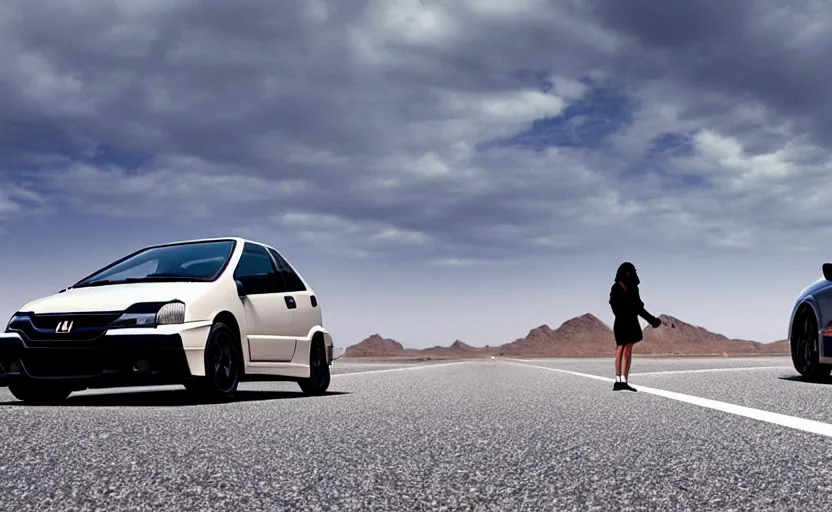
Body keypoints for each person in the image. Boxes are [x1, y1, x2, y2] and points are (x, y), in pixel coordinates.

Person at [609, 262, 661, 391]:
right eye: (627, 271)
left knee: (627, 350)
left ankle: (624, 381)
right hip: (622, 322)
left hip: (631, 322)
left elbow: (639, 308)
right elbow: (615, 306)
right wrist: (627, 310)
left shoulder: (633, 288)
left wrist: (652, 320)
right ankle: (618, 380)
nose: (629, 274)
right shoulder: (616, 288)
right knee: (620, 348)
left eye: (631, 271)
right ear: (622, 272)